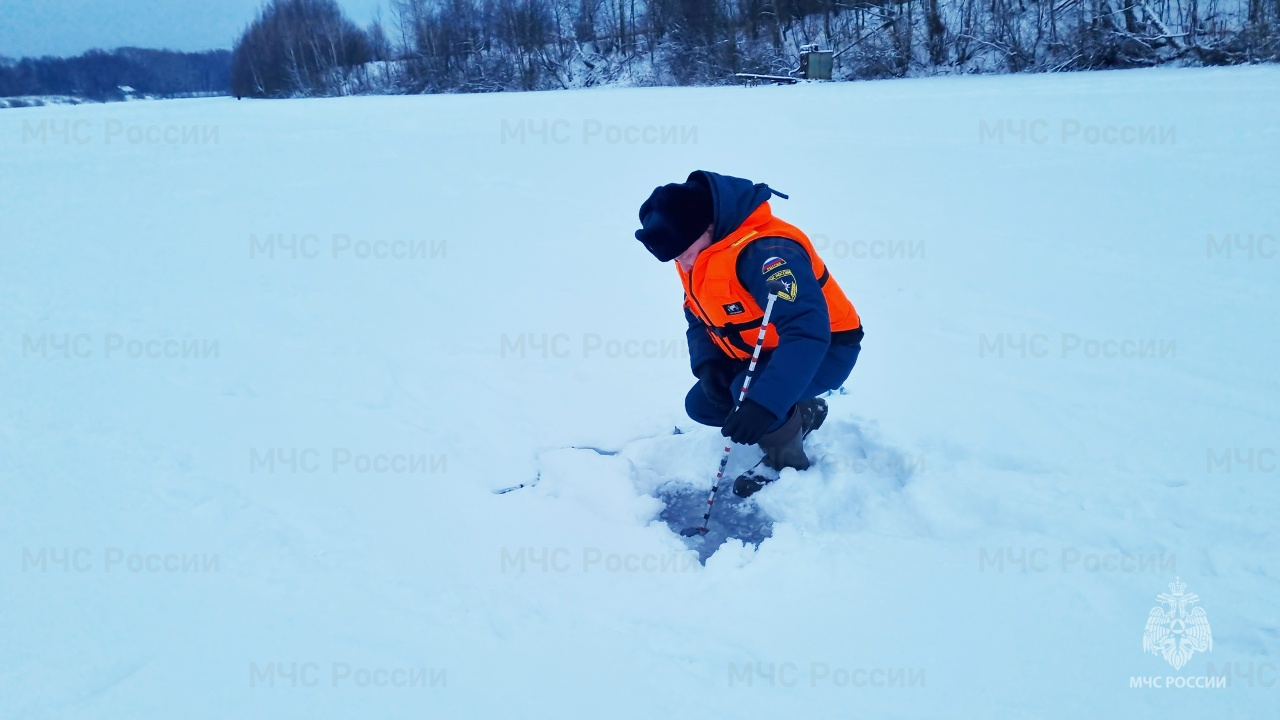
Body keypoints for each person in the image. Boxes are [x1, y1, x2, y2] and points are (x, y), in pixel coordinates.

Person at [634, 170, 864, 497]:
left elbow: (806, 331)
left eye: (684, 255)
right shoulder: (698, 251)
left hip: (827, 349)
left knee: (749, 395)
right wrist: (709, 364)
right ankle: (802, 412)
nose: (683, 266)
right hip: (764, 349)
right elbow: (696, 312)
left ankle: (787, 463)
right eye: (676, 259)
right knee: (703, 405)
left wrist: (766, 404)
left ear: (708, 228)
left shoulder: (767, 254)